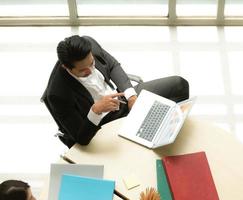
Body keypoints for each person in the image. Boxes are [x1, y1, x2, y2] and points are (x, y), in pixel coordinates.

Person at [43, 35, 189, 148]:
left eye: (92, 63)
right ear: (67, 68)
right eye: (84, 71)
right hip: (103, 124)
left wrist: (131, 96)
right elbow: (81, 138)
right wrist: (95, 110)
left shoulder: (90, 44)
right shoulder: (57, 94)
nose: (91, 70)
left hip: (123, 98)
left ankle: (169, 131)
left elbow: (112, 66)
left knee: (179, 85)